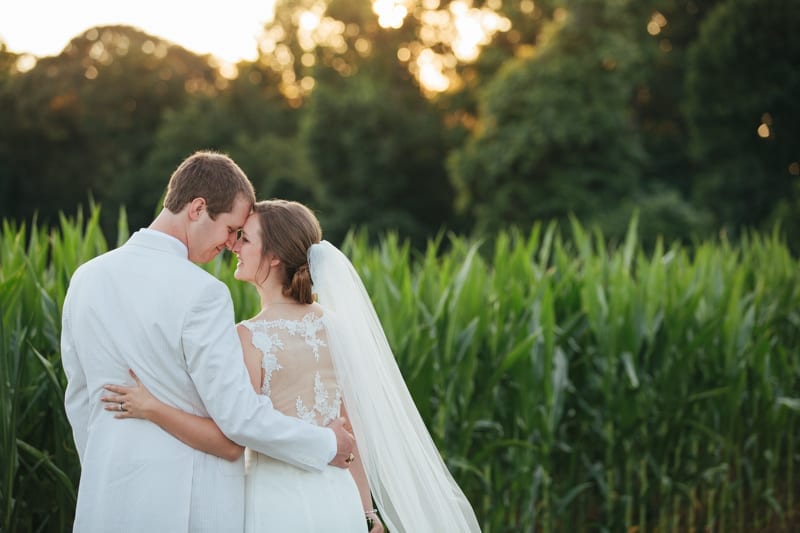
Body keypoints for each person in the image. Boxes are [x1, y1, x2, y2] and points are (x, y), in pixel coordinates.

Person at [101, 199, 482, 532]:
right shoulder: (338, 328)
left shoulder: (249, 338)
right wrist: (367, 513)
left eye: (244, 239)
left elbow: (230, 437)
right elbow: (353, 437)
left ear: (275, 256)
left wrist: (151, 407)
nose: (233, 245)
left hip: (275, 504)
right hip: (338, 501)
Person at [61, 153, 356, 533]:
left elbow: (80, 401)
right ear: (198, 208)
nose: (231, 243)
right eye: (231, 228)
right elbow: (239, 418)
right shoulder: (203, 293)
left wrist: (109, 469)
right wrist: (327, 444)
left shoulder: (86, 279)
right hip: (185, 507)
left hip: (104, 503)